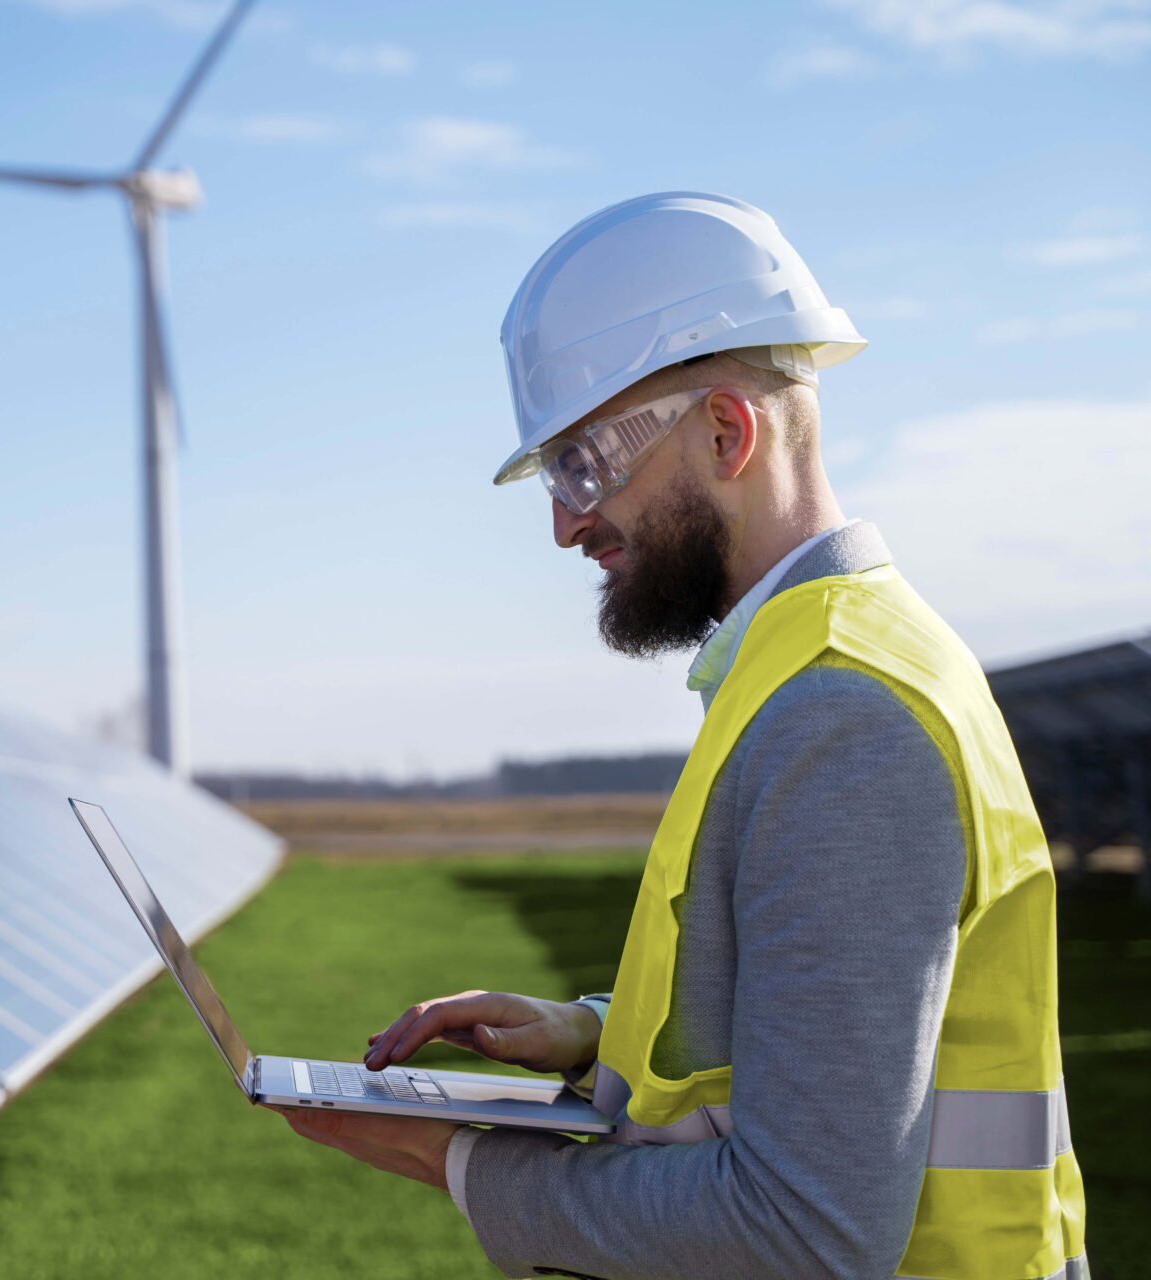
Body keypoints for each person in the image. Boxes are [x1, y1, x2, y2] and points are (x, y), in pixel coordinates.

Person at [279, 193, 1087, 1280]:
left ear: (724, 430)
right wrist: (587, 1033)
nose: (565, 522)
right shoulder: (826, 661)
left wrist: (460, 1162)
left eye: (581, 466)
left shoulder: (839, 714)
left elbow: (807, 1230)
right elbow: (831, 1027)